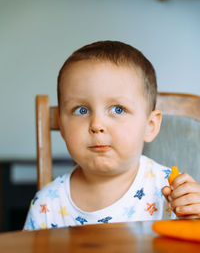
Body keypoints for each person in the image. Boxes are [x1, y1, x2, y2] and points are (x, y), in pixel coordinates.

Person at [24, 40, 200, 230]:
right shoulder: (47, 205)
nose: (97, 124)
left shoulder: (172, 191)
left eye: (118, 109)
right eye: (81, 110)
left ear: (150, 126)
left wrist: (195, 217)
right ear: (62, 126)